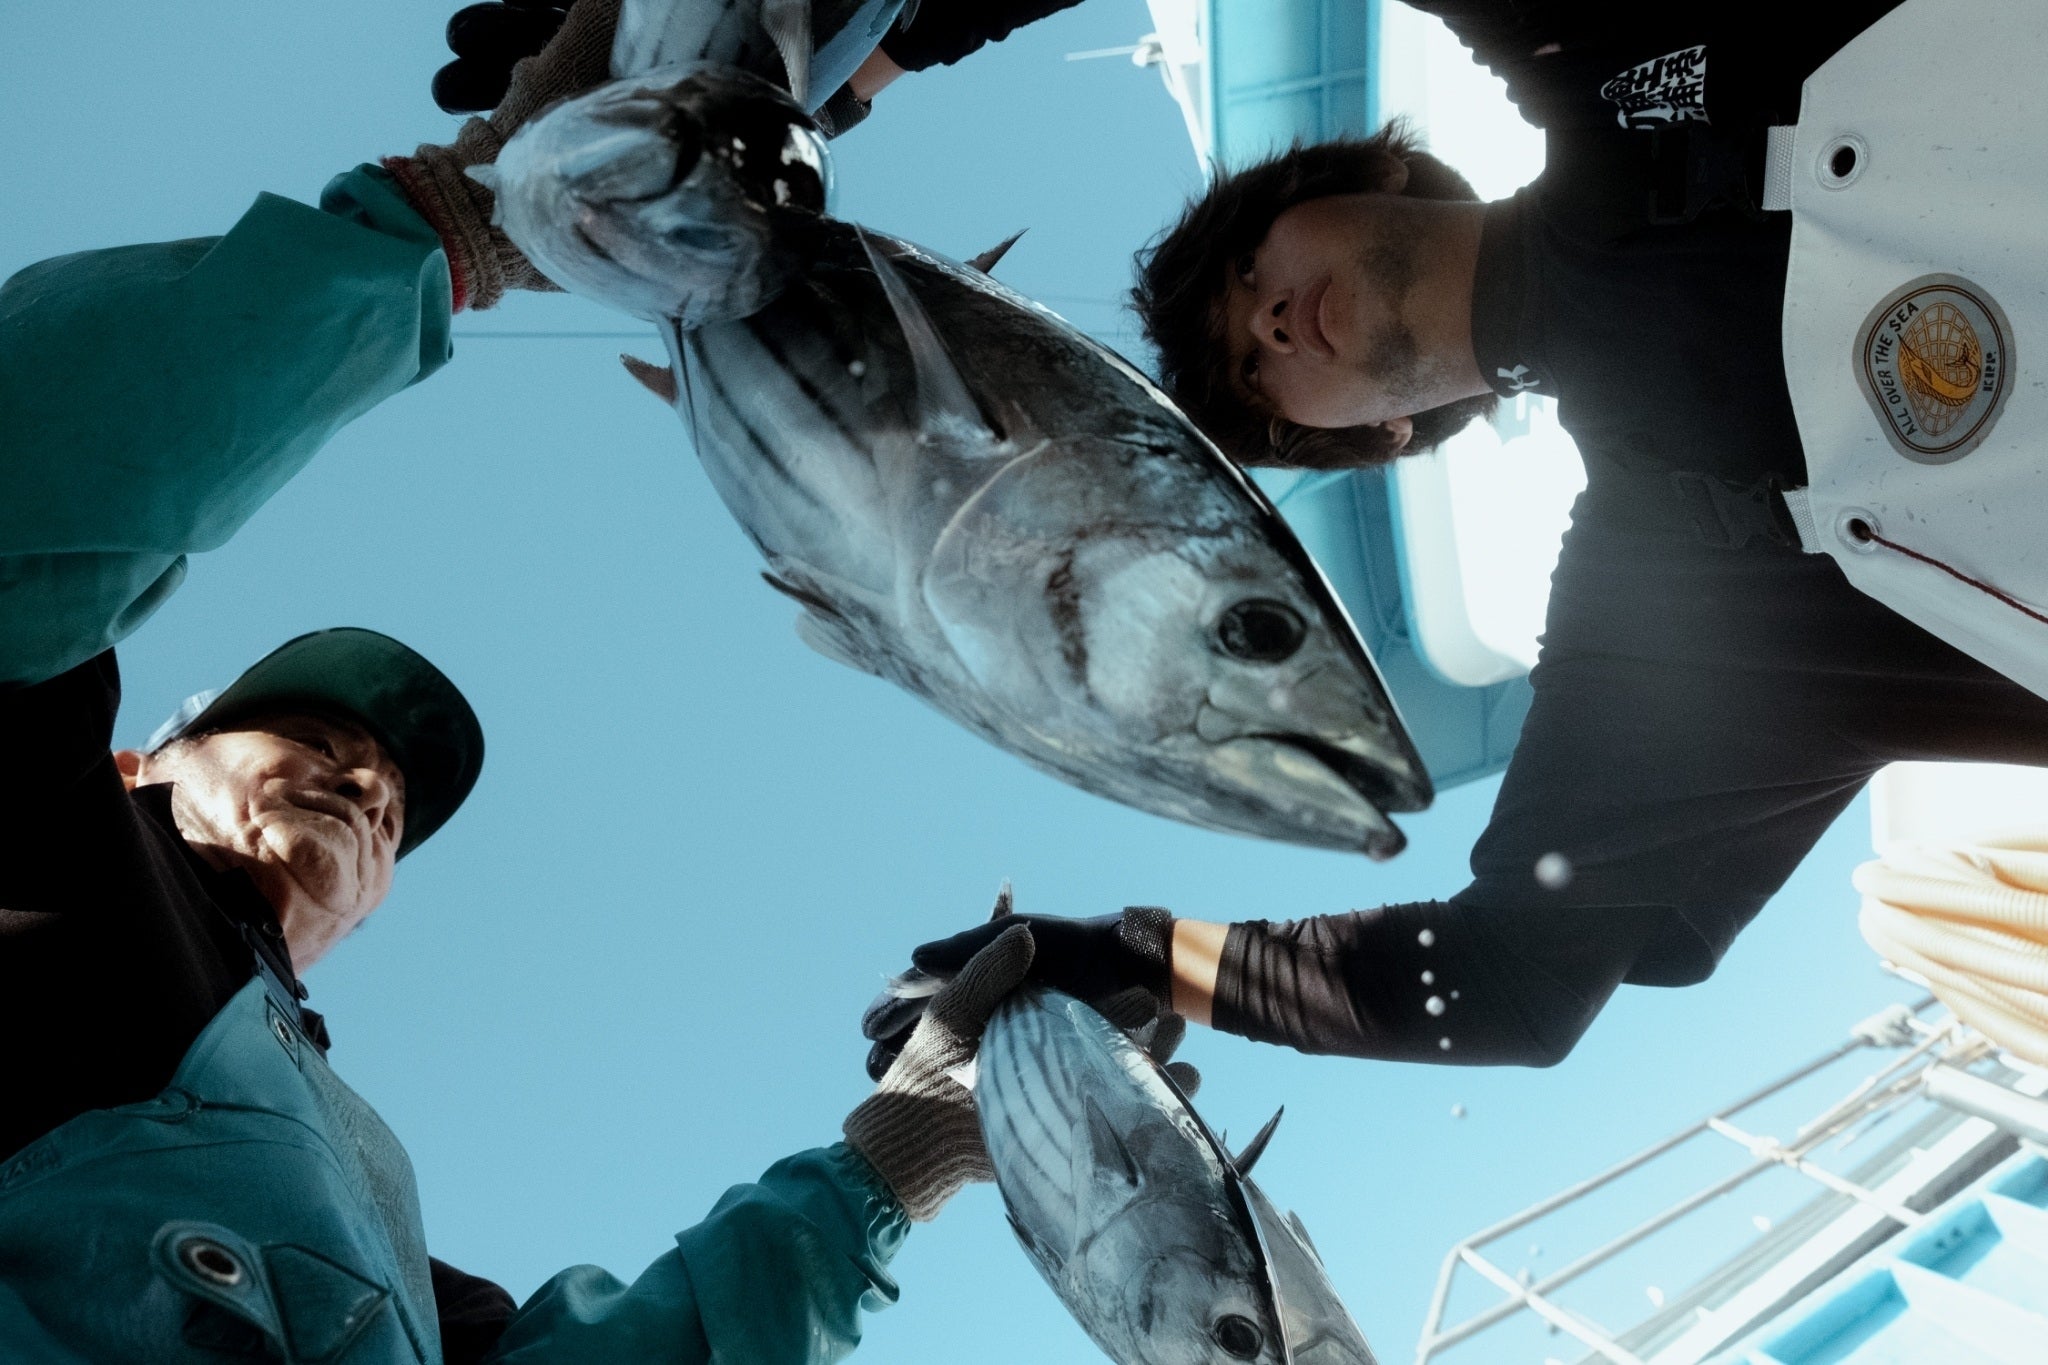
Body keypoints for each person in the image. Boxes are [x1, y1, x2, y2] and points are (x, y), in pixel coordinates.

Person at [0, 5, 1160, 1359]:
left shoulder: (363, 1195)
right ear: (138, 762)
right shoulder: (40, 840)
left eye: (392, 809)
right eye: (306, 733)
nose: (365, 782)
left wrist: (902, 1154)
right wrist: (461, 216)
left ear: (362, 920)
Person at [868, 2, 2048, 1072]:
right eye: (1251, 370)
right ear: (1375, 434)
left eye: (1248, 264)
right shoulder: (1665, 619)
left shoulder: (1613, 49)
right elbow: (1503, 981)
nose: (1269, 317)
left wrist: (884, 48)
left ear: (1368, 173)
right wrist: (1131, 955)